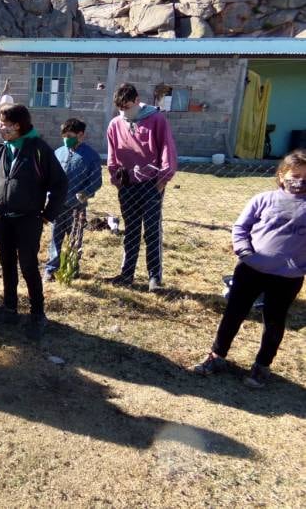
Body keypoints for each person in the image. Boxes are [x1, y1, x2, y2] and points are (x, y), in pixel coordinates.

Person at [193, 149, 306, 388]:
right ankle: (217, 355)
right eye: (295, 174)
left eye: (305, 177)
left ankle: (262, 365)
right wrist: (244, 252)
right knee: (234, 312)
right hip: (250, 270)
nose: (299, 181)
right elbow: (241, 227)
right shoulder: (263, 199)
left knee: (274, 321)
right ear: (282, 174)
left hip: (287, 278)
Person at [0, 103, 68, 341]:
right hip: (1, 218)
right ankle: (9, 309)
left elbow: (59, 184)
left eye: (6, 124)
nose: (2, 128)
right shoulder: (1, 150)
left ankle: (38, 314)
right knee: (6, 264)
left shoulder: (39, 150)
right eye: (1, 123)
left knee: (28, 266)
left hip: (28, 219)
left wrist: (49, 213)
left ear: (19, 125)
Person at [106, 83, 177, 292]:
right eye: (121, 108)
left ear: (137, 101)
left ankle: (154, 277)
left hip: (151, 183)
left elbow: (167, 148)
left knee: (152, 230)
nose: (124, 112)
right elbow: (112, 154)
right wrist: (116, 179)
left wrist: (163, 178)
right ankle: (127, 274)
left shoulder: (156, 119)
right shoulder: (115, 124)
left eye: (127, 107)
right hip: (127, 184)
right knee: (131, 230)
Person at [43, 118, 102, 281]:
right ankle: (51, 269)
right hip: (57, 204)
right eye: (64, 136)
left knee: (75, 238)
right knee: (56, 236)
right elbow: (49, 176)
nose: (66, 139)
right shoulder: (58, 152)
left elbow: (97, 181)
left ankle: (72, 268)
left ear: (80, 135)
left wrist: (86, 193)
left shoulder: (91, 156)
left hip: (77, 208)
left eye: (70, 135)